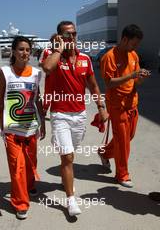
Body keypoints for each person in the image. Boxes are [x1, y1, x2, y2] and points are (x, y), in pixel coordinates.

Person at [40, 20, 108, 217]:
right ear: (60, 36)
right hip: (59, 114)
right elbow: (46, 69)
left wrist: (101, 107)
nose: (72, 38)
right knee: (67, 157)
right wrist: (59, 49)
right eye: (67, 35)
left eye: (74, 34)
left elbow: (94, 86)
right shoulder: (51, 55)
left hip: (79, 115)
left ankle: (65, 170)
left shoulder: (85, 59)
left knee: (71, 152)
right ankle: (70, 200)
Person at [0, 36, 45, 219]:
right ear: (13, 52)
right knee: (17, 166)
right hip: (11, 130)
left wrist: (43, 122)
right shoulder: (5, 72)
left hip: (30, 129)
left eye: (28, 50)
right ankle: (20, 203)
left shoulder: (36, 73)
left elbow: (38, 99)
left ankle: (29, 186)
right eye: (21, 49)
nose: (25, 53)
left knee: (31, 163)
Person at [99, 24, 150, 188]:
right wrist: (131, 75)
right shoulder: (110, 57)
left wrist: (140, 76)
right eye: (133, 44)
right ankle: (122, 174)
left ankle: (105, 152)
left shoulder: (133, 55)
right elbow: (108, 82)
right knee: (123, 142)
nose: (135, 47)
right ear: (125, 39)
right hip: (117, 105)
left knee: (129, 137)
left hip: (132, 103)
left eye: (137, 45)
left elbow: (136, 81)